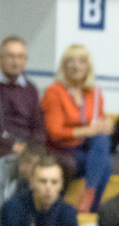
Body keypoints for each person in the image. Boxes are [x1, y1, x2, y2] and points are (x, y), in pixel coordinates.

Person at [0, 36, 49, 205]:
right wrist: (12, 144)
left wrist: (32, 150)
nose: (16, 61)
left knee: (55, 165)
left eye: (21, 57)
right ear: (0, 58)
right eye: (11, 56)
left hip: (27, 151)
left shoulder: (30, 88)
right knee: (3, 169)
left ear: (26, 61)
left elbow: (38, 127)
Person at [41, 43, 113, 211]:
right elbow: (55, 131)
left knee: (103, 142)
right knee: (105, 164)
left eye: (82, 61)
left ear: (88, 66)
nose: (76, 66)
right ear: (64, 66)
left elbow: (99, 123)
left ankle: (89, 195)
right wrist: (87, 131)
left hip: (86, 148)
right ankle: (91, 207)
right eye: (71, 61)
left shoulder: (94, 93)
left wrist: (106, 124)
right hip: (62, 148)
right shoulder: (55, 91)